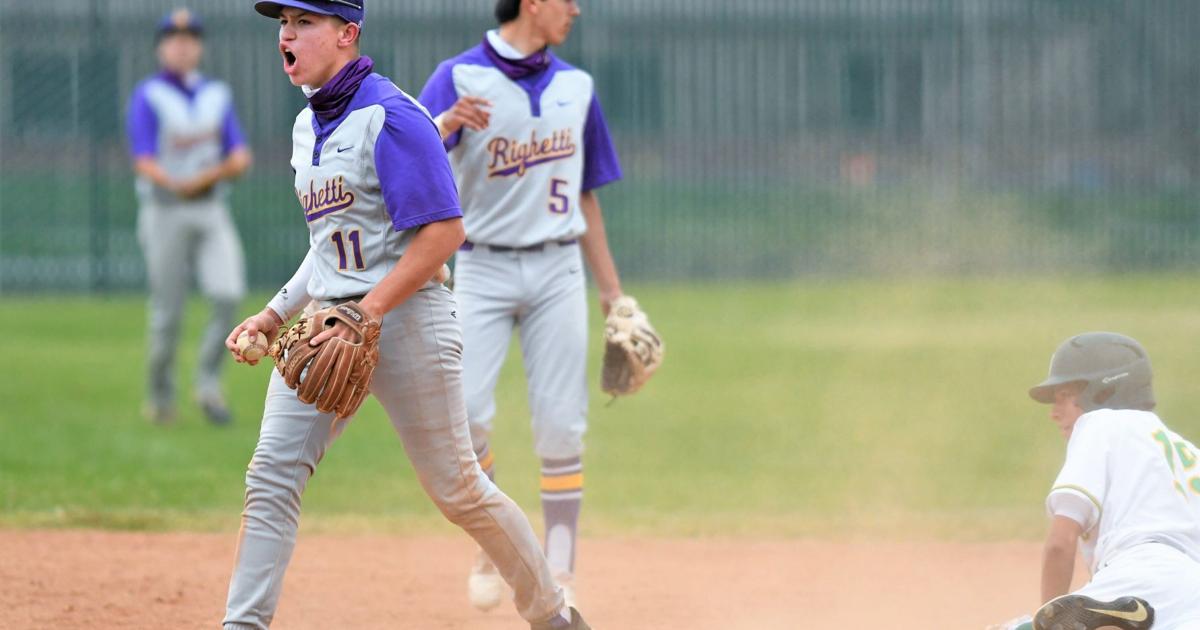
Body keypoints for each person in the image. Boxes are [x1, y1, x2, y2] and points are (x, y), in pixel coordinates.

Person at [221, 2, 588, 629]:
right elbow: (329, 248)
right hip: (328, 328)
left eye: (305, 22)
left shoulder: (391, 117)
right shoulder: (306, 128)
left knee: (459, 490)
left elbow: (445, 234)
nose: (287, 33)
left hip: (409, 318)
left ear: (346, 33)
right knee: (272, 475)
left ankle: (553, 614)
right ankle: (242, 624)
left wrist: (368, 312)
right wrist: (273, 314)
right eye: (284, 22)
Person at [417, 0, 625, 611]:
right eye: (565, 0)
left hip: (558, 267)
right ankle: (494, 540)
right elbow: (404, 157)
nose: (576, 10)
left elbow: (586, 197)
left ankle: (561, 568)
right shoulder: (458, 77)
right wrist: (447, 122)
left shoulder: (577, 86)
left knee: (562, 425)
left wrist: (613, 294)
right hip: (480, 266)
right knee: (470, 416)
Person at [1023, 332, 1200, 630]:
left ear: (1104, 392)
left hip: (1136, 579)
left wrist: (1046, 620)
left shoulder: (1101, 424)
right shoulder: (1190, 455)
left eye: (1065, 396)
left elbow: (1060, 543)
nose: (1055, 413)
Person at [126, 8, 252, 426]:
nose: (183, 45)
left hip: (211, 206)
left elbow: (240, 155)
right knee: (168, 312)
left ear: (199, 46)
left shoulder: (216, 94)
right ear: (162, 47)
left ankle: (208, 384)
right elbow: (143, 160)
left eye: (191, 38)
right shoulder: (148, 95)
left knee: (228, 293)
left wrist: (208, 176)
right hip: (165, 211)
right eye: (175, 38)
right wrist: (179, 183)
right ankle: (160, 397)